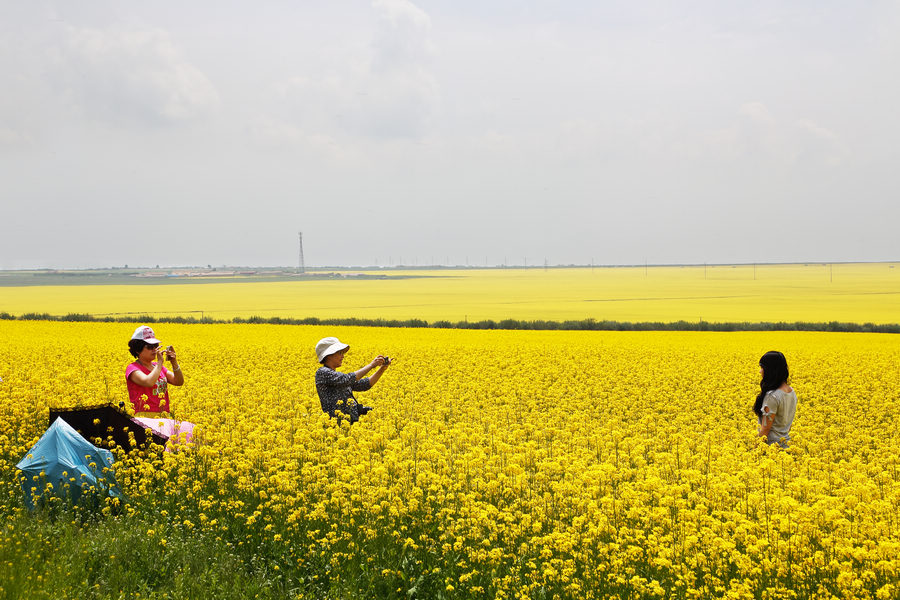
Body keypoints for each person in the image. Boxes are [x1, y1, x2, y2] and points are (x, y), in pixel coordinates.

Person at [126, 325, 193, 444]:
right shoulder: (133, 369)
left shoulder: (158, 367)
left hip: (163, 418)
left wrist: (174, 362)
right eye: (149, 347)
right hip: (145, 419)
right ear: (138, 349)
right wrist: (160, 363)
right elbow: (148, 381)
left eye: (156, 346)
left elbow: (178, 381)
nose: (154, 349)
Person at [315, 336, 390, 423]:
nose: (343, 356)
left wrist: (382, 368)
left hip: (348, 424)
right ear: (329, 355)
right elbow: (348, 379)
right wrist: (371, 365)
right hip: (335, 425)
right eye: (340, 353)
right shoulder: (322, 373)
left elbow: (365, 384)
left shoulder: (336, 375)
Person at [753, 350, 797, 447]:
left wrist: (756, 450)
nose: (760, 371)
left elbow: (765, 429)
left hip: (771, 448)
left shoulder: (772, 396)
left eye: (762, 367)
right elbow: (788, 426)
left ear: (770, 370)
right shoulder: (791, 392)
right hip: (786, 445)